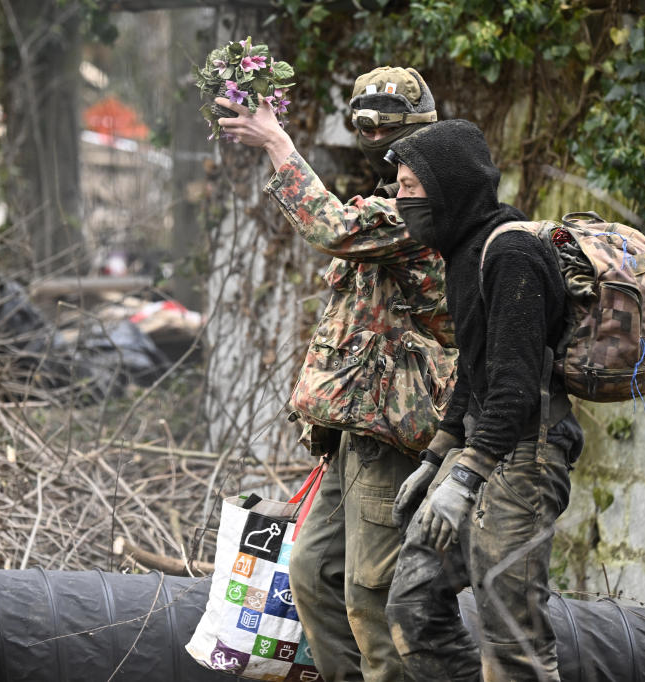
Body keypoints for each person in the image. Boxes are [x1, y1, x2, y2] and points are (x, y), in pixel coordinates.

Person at [215, 67, 459, 682]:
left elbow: (333, 227)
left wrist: (277, 143)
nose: (373, 140)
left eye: (383, 129)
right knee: (311, 574)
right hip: (356, 426)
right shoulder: (393, 200)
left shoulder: (425, 208)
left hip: (394, 433)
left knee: (369, 598)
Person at [384, 119, 584, 681]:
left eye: (408, 188)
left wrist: (464, 479)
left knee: (512, 638)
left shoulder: (510, 252)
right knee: (413, 608)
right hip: (482, 451)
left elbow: (516, 387)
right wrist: (435, 457)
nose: (399, 199)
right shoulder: (462, 251)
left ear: (447, 187)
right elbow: (479, 367)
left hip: (526, 456)